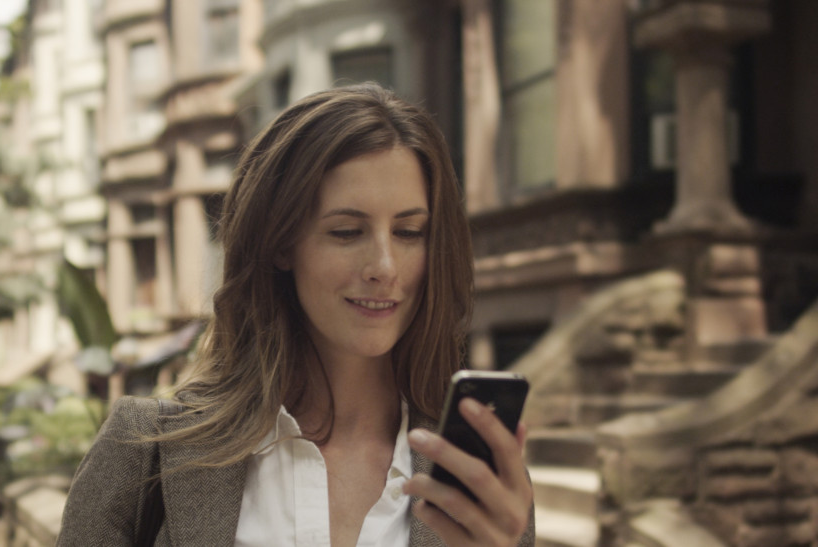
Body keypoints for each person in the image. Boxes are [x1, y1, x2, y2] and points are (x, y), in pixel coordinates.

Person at [57, 83, 534, 547]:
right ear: (282, 243)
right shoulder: (145, 450)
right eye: (347, 231)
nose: (385, 268)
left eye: (409, 232)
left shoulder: (473, 477)